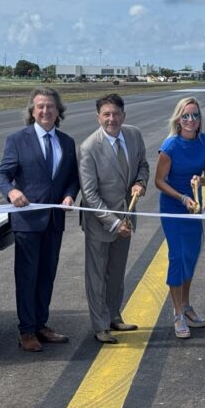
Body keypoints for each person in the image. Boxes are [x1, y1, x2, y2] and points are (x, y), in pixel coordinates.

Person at [0, 87, 79, 352]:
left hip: (54, 221)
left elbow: (71, 179)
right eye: (40, 106)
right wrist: (12, 191)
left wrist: (69, 196)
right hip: (28, 223)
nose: (46, 111)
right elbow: (2, 175)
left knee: (47, 275)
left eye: (51, 107)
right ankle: (27, 330)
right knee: (28, 276)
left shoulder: (67, 142)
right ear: (32, 111)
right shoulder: (17, 139)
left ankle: (41, 324)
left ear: (58, 111)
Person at [78, 94, 150, 344]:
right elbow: (89, 194)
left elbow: (143, 164)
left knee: (117, 274)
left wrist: (141, 182)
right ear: (98, 117)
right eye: (106, 114)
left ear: (124, 115)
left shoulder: (134, 135)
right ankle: (100, 326)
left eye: (116, 113)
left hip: (127, 219)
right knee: (97, 276)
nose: (112, 119)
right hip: (101, 222)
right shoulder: (89, 147)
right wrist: (113, 222)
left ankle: (114, 317)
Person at [154, 97, 205, 339]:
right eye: (186, 116)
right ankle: (178, 313)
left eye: (195, 116)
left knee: (190, 256)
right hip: (173, 206)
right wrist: (181, 198)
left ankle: (187, 305)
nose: (191, 120)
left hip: (194, 207)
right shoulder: (169, 147)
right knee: (177, 257)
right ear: (178, 119)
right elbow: (159, 181)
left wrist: (199, 181)